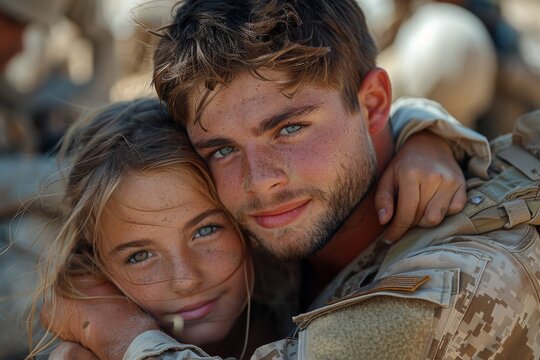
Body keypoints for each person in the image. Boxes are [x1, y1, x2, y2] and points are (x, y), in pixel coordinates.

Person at [43, 0, 540, 358]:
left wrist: (116, 333)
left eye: (290, 129)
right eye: (222, 149)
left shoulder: (467, 272)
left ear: (373, 105)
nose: (259, 183)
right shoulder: (271, 229)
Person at [36, 95, 476, 360]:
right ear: (97, 266)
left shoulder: (296, 278)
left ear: (244, 218)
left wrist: (425, 137)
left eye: (206, 231)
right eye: (139, 255)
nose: (186, 279)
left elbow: (352, 120)